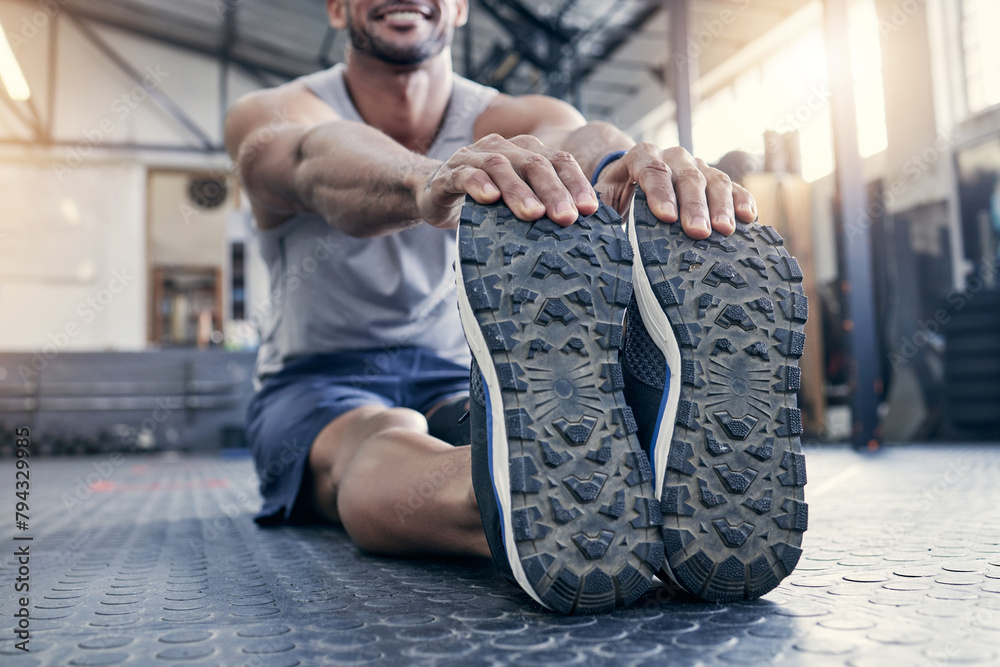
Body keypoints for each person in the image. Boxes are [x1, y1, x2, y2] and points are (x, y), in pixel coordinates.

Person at [226, 0, 807, 614]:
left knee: (505, 428)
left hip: (467, 371)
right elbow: (314, 157)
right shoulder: (267, 115)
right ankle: (502, 500)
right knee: (374, 437)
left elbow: (574, 138)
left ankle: (621, 470)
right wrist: (425, 181)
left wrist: (623, 167)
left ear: (458, 7)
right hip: (315, 382)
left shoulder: (513, 115)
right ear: (339, 9)